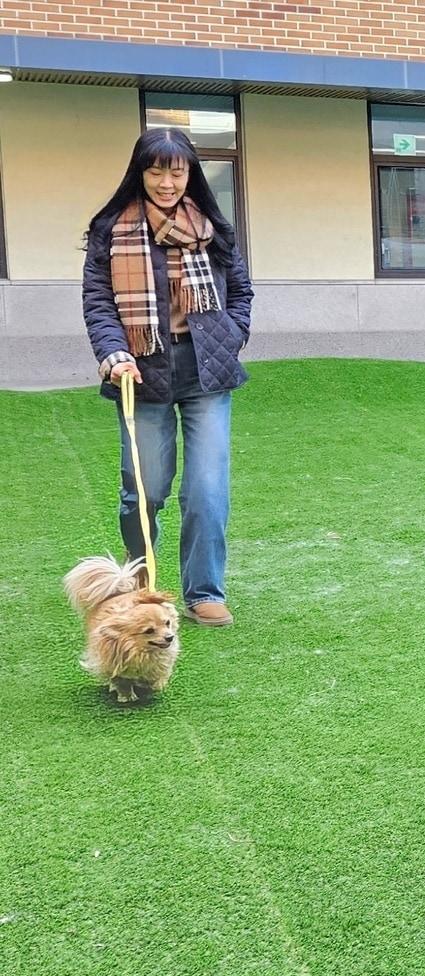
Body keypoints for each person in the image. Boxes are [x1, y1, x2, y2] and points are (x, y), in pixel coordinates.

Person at [83, 128, 254, 627]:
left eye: (176, 171)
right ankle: (142, 583)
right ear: (141, 171)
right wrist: (113, 351)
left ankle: (204, 590)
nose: (166, 182)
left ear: (189, 174)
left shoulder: (211, 226)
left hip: (207, 369)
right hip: (142, 370)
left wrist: (232, 333)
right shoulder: (112, 228)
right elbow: (98, 302)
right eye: (156, 170)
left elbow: (241, 290)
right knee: (145, 490)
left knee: (206, 487)